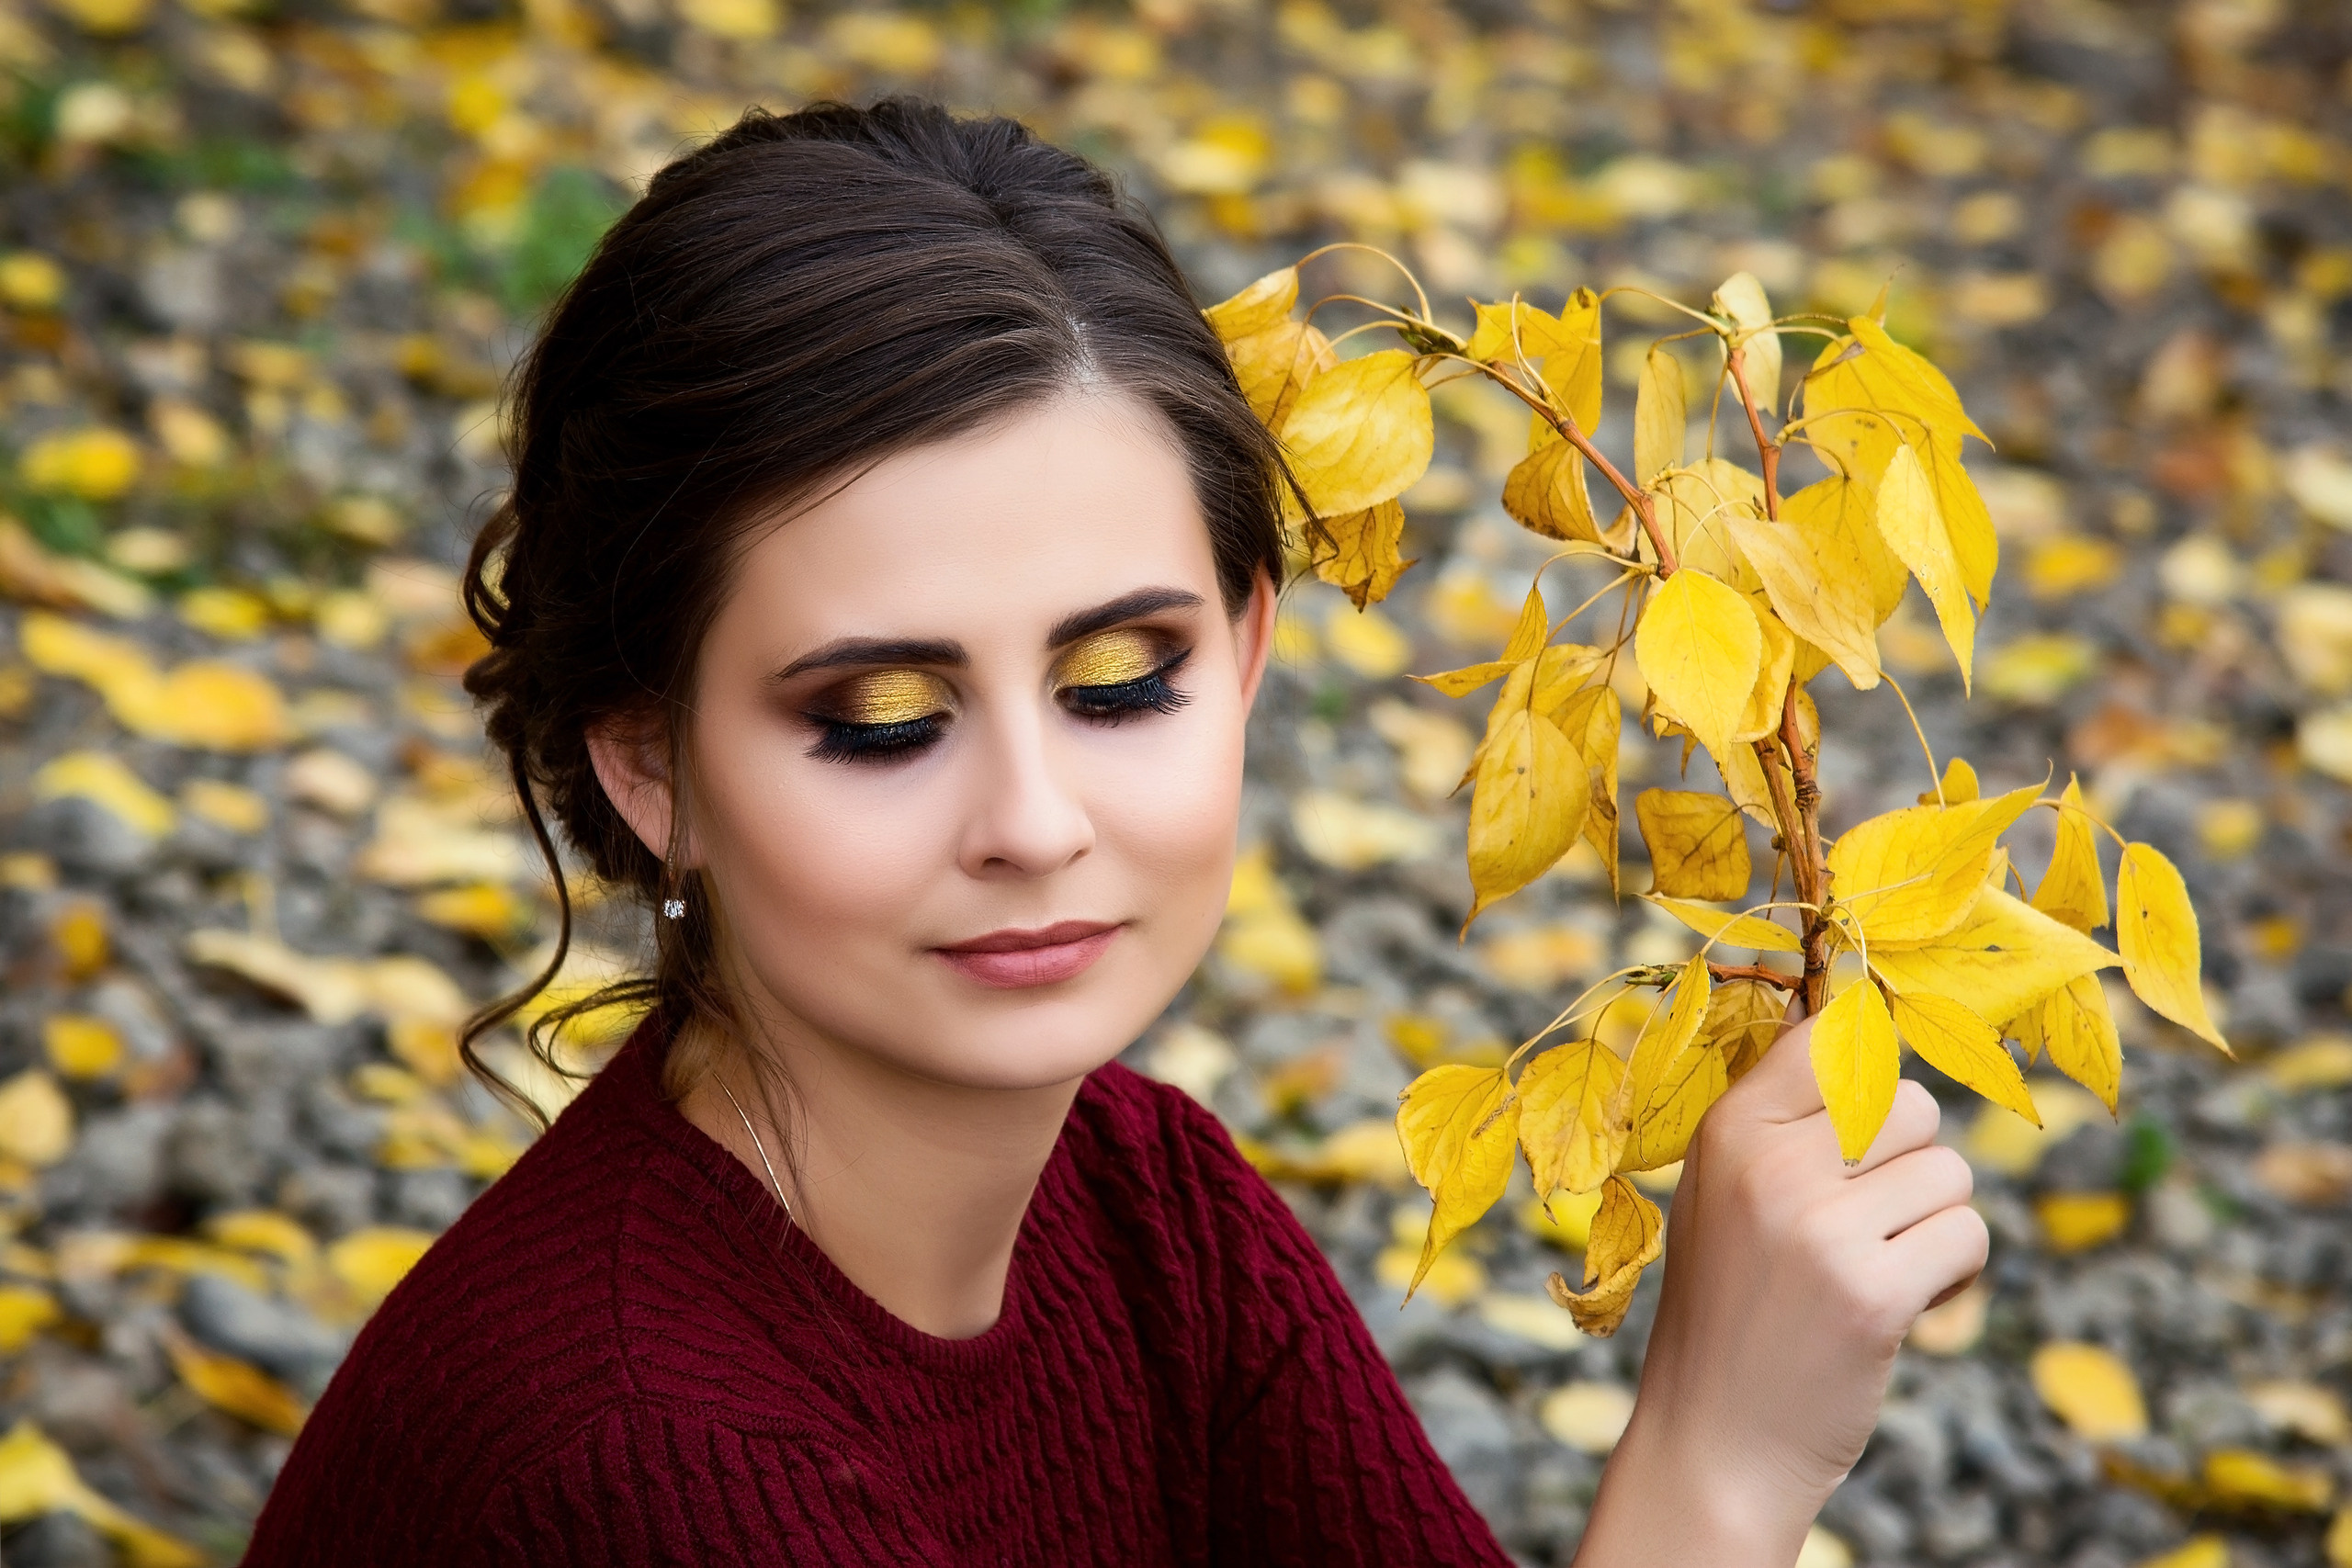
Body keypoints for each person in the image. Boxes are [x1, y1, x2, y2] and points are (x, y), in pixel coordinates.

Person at [240, 99, 1986, 1566]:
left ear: (1244, 654)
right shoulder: (650, 1472)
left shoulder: (1147, 1212)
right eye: (882, 719)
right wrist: (1718, 1462)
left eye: (1120, 682)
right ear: (649, 762)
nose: (1032, 820)